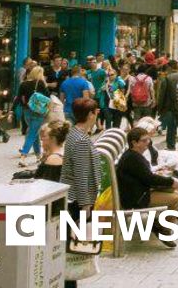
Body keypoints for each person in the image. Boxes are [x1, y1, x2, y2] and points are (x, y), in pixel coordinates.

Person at [60, 98, 102, 288]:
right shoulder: (81, 140)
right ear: (90, 114)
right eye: (95, 112)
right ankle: (70, 284)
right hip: (77, 200)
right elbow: (81, 173)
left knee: (73, 246)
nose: (97, 115)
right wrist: (86, 205)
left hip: (74, 197)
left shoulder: (75, 134)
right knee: (75, 247)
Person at [115, 127, 178, 248]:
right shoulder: (133, 158)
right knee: (175, 198)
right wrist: (170, 181)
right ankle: (163, 229)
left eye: (148, 140)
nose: (147, 143)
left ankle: (162, 227)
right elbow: (150, 179)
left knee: (175, 193)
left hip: (138, 192)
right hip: (136, 198)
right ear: (134, 142)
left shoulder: (133, 155)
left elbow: (146, 177)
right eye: (144, 141)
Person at [18, 66, 49, 163]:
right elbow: (47, 97)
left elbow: (19, 98)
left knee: (34, 132)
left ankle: (38, 155)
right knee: (32, 133)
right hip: (38, 112)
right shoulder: (40, 83)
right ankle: (23, 156)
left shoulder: (23, 84)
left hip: (27, 111)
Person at [158, 61, 178, 151]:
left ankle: (171, 147)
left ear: (169, 67)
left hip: (170, 107)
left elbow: (161, 95)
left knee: (171, 128)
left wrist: (159, 108)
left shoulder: (167, 78)